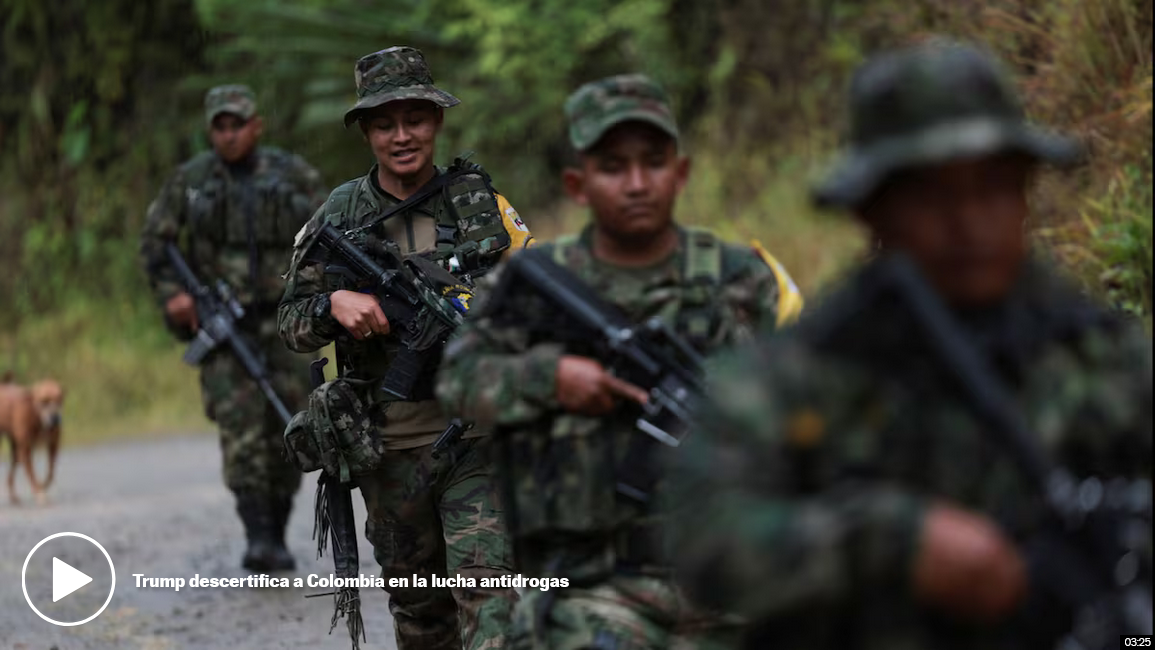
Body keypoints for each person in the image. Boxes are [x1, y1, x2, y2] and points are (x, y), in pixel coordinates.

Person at [668, 40, 1153, 650]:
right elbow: (705, 539)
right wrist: (894, 543)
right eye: (932, 196)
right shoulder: (795, 376)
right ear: (872, 211)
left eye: (994, 187)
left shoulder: (1098, 353)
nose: (969, 222)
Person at [436, 73, 804, 649]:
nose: (636, 184)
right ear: (577, 184)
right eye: (612, 167)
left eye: (653, 163)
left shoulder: (742, 278)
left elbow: (809, 402)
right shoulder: (534, 282)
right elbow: (459, 382)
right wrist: (551, 378)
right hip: (592, 581)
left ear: (680, 173)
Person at [277, 46, 532, 650]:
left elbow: (538, 303)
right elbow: (290, 322)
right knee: (421, 615)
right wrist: (332, 306)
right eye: (385, 123)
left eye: (414, 119)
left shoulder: (479, 206)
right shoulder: (340, 215)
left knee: (492, 599)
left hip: (477, 439)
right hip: (389, 450)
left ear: (436, 120)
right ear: (366, 131)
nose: (402, 136)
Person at [140, 84, 327, 571]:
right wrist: (174, 297)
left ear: (256, 126)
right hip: (225, 326)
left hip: (286, 322)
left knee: (288, 420)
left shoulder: (292, 174)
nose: (229, 135)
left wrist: (318, 295)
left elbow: (329, 234)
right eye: (219, 127)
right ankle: (258, 535)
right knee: (241, 430)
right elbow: (155, 243)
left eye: (237, 125)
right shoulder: (191, 181)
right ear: (210, 132)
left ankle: (277, 529)